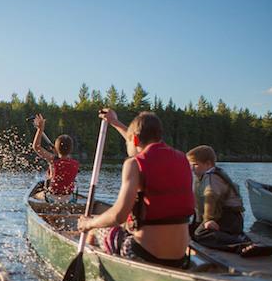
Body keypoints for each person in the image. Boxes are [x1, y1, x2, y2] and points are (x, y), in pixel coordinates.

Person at [77, 109, 195, 269]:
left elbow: (118, 216)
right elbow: (139, 144)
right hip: (180, 256)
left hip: (145, 254)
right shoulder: (182, 159)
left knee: (96, 229)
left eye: (129, 141)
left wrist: (89, 223)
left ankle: (91, 270)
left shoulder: (134, 164)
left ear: (135, 140)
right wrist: (115, 122)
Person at [186, 145, 272, 257]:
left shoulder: (212, 177)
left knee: (201, 234)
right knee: (190, 230)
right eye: (190, 165)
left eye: (195, 165)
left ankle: (242, 244)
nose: (192, 169)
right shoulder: (201, 177)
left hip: (229, 219)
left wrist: (208, 220)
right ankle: (238, 238)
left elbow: (211, 198)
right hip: (221, 218)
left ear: (208, 164)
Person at [31, 113, 79, 203]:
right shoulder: (75, 163)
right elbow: (64, 159)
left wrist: (40, 129)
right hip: (70, 199)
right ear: (71, 149)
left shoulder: (53, 160)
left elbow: (36, 147)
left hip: (52, 198)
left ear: (57, 148)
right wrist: (56, 151)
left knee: (34, 195)